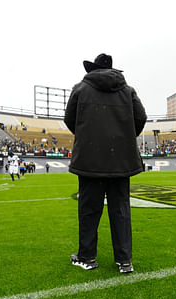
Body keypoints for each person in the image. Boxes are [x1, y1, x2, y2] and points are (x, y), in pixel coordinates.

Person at [64, 53, 147, 274]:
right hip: (121, 160)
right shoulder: (127, 90)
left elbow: (69, 119)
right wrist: (123, 137)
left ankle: (87, 257)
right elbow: (141, 118)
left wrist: (87, 136)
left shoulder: (80, 88)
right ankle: (124, 261)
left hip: (90, 159)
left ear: (92, 69)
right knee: (121, 210)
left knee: (89, 211)